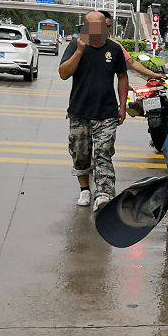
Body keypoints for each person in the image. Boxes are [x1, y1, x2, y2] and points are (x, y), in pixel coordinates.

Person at [58, 11, 128, 211]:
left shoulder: (114, 49)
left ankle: (104, 194)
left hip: (107, 113)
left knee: (103, 154)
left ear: (106, 28)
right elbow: (63, 74)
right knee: (80, 154)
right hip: (79, 112)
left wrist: (122, 106)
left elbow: (123, 77)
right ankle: (85, 190)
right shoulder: (74, 45)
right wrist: (79, 51)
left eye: (101, 27)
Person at [99, 10, 160, 81]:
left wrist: (154, 75)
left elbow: (132, 63)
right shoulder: (83, 46)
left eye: (109, 26)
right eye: (104, 25)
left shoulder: (115, 46)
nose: (107, 29)